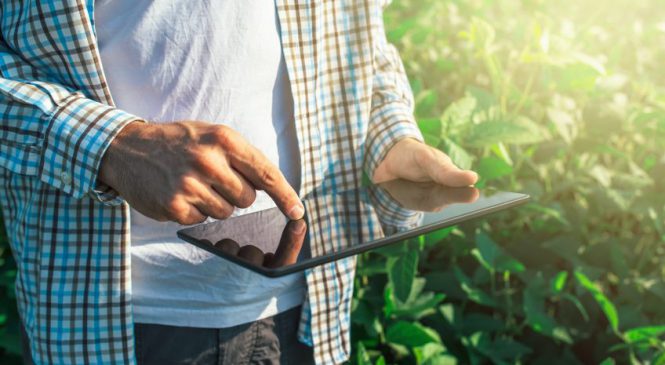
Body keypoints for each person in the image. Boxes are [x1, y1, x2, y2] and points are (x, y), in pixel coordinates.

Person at [0, 0, 478, 364]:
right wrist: (111, 146)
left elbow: (359, 42)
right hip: (118, 321)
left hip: (309, 311)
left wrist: (389, 136)